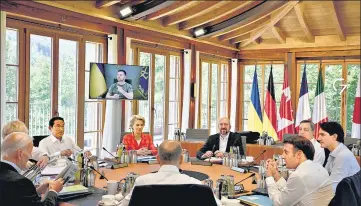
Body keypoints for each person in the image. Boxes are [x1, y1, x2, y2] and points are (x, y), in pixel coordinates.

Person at [120, 140, 221, 206]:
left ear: (158, 159)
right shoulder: (197, 185)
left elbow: (124, 204)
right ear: (181, 159)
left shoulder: (141, 182)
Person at [265, 136, 334, 206]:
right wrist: (275, 174)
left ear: (299, 154)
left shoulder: (299, 175)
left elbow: (278, 203)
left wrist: (269, 177)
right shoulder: (318, 167)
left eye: (286, 152)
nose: (282, 156)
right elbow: (291, 192)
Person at [0, 132, 64, 206]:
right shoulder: (20, 182)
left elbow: (14, 198)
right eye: (30, 152)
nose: (30, 156)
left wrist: (37, 191)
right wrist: (53, 191)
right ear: (20, 154)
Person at [318, 121, 360, 192]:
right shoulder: (334, 152)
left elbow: (332, 188)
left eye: (322, 135)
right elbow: (325, 176)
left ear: (334, 137)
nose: (318, 138)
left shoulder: (342, 156)